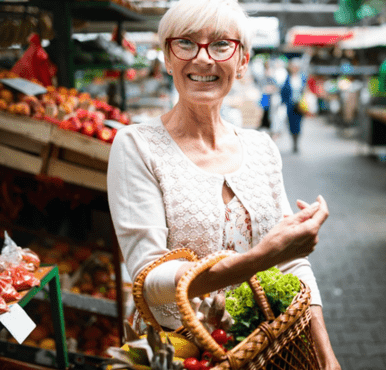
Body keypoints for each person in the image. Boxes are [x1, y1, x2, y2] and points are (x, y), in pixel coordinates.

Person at [106, 1, 341, 369]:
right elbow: (149, 283)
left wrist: (324, 353)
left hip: (266, 349)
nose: (203, 59)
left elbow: (293, 265)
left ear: (242, 61)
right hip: (179, 355)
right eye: (185, 43)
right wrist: (262, 258)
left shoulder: (262, 148)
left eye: (220, 45)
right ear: (167, 58)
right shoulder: (136, 146)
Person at [280, 58, 307, 153]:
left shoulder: (302, 77)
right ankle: (293, 142)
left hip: (300, 105)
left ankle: (297, 142)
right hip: (290, 104)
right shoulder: (288, 78)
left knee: (299, 124)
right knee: (291, 124)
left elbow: (305, 90)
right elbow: (283, 91)